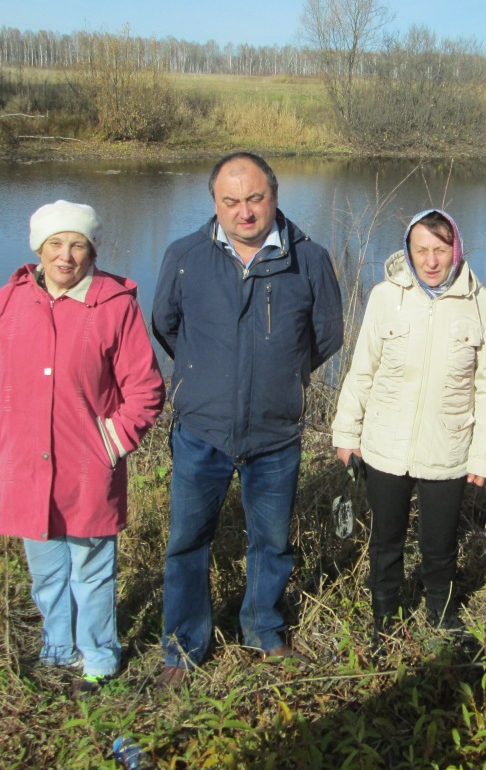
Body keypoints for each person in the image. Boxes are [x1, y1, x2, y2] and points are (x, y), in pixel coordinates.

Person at [151, 152, 343, 688]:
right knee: (187, 541)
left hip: (275, 434)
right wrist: (206, 379)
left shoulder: (310, 259)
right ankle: (184, 647)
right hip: (200, 432)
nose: (245, 212)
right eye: (230, 201)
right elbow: (165, 325)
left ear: (275, 196)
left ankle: (263, 629)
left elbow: (327, 335)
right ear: (214, 202)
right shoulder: (186, 255)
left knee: (271, 541)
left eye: (255, 198)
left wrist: (280, 377)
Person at [0, 200, 165, 695]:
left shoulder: (115, 305)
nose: (65, 256)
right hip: (24, 469)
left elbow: (145, 391)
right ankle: (57, 648)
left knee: (91, 572)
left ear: (92, 249)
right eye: (55, 244)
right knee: (47, 572)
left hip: (87, 469)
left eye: (77, 244)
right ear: (39, 249)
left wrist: (107, 445)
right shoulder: (6, 304)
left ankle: (98, 656)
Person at [332, 209, 486, 641]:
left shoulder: (480, 303)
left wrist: (484, 455)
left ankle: (441, 615)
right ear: (408, 251)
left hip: (446, 449)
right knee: (385, 540)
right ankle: (385, 619)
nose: (431, 261)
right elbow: (361, 371)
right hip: (384, 446)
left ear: (456, 250)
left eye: (440, 250)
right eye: (421, 250)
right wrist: (346, 434)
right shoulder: (384, 296)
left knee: (439, 544)